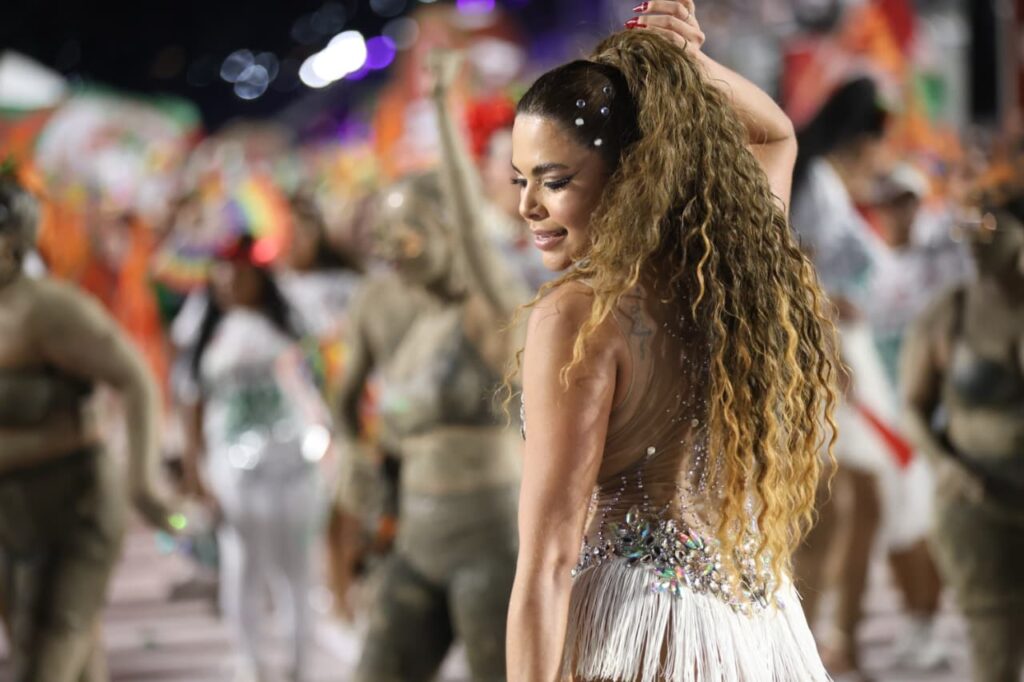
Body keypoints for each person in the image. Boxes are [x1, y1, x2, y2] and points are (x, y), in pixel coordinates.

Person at [506, 4, 838, 680]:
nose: (528, 206)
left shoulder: (580, 314)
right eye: (522, 178)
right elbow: (776, 137)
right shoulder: (735, 274)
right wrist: (683, 64)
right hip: (756, 627)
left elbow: (548, 560)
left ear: (630, 173)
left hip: (639, 634)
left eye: (555, 180)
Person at [337, 54, 529, 676]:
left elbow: (473, 228)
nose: (391, 251)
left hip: (490, 540)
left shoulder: (492, 309)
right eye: (384, 238)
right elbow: (358, 408)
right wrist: (358, 461)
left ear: (447, 230)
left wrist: (444, 108)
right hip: (416, 543)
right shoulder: (417, 324)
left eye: (407, 235)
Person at [0, 170, 178, 681]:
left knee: (45, 657)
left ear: (10, 241)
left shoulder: (48, 309)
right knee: (60, 656)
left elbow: (136, 378)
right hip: (13, 520)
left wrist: (144, 483)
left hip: (76, 511)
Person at [183, 235, 331, 682]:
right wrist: (195, 474)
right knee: (243, 566)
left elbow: (318, 388)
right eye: (223, 275)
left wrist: (327, 446)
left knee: (298, 568)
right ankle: (251, 664)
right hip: (234, 469)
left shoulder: (292, 325)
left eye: (241, 274)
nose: (231, 283)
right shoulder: (203, 329)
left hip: (295, 465)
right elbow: (191, 403)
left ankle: (301, 665)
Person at [901, 178, 1024, 682]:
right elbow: (912, 407)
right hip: (979, 501)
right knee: (995, 649)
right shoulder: (948, 312)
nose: (975, 241)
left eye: (991, 229)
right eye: (967, 229)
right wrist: (943, 464)